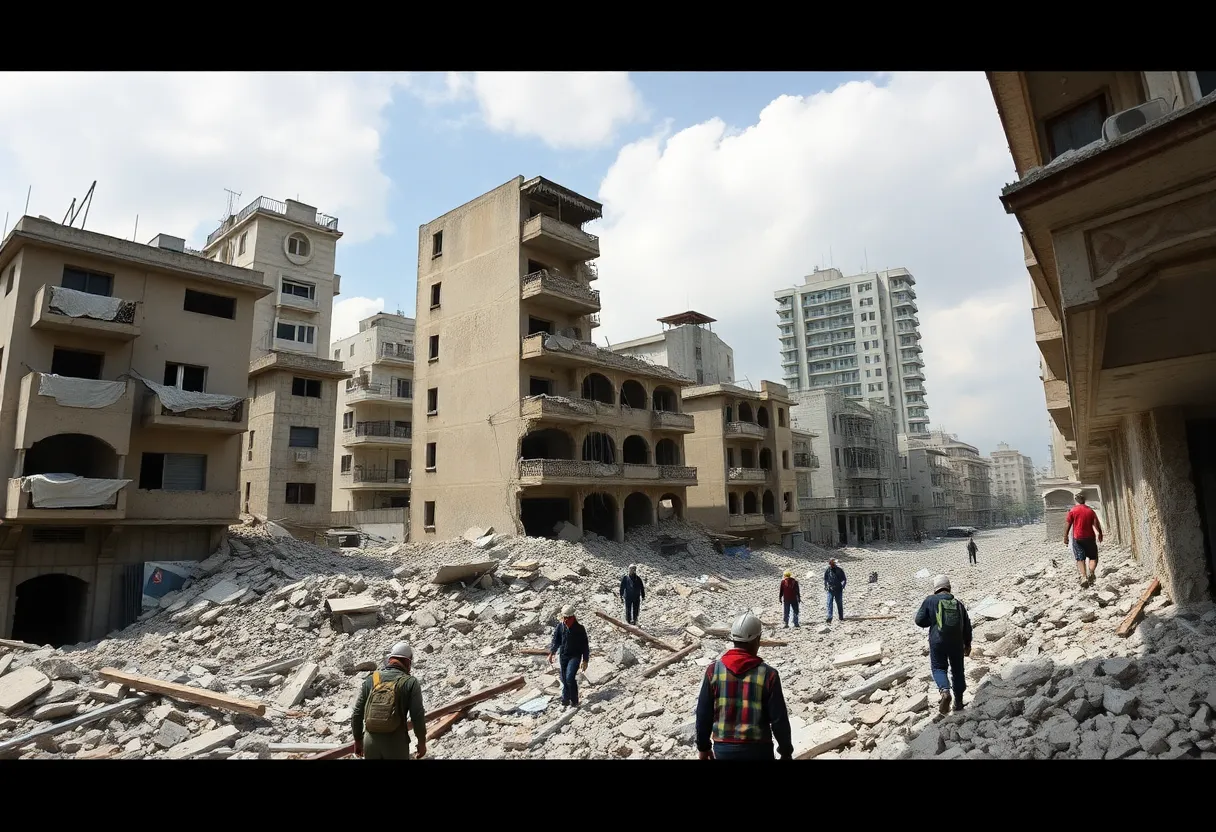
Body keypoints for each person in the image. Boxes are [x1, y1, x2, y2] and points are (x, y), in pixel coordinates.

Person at [694, 611, 794, 760]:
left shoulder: (713, 671)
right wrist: (786, 752)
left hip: (723, 750)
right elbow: (779, 719)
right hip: (759, 749)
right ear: (757, 639)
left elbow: (703, 714)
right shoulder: (769, 674)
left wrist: (703, 747)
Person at [350, 641, 426, 760]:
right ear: (407, 662)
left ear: (390, 659)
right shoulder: (410, 682)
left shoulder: (372, 679)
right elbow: (417, 716)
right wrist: (422, 742)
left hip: (370, 742)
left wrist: (358, 740)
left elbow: (357, 713)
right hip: (396, 743)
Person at [914, 575, 973, 715]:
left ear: (935, 588)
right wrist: (968, 644)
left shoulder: (930, 600)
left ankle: (945, 691)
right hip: (957, 642)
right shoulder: (958, 603)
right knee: (958, 671)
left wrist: (933, 621)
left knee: (939, 668)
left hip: (937, 641)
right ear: (949, 587)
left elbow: (919, 620)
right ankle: (958, 702)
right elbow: (967, 626)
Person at [548, 604, 590, 709]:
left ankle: (574, 701)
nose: (565, 620)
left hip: (575, 656)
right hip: (563, 656)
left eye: (567, 618)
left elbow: (585, 645)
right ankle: (565, 700)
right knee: (564, 678)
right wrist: (552, 652)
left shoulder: (580, 629)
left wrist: (585, 660)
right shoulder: (560, 626)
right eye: (564, 617)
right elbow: (556, 640)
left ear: (572, 617)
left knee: (569, 677)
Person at [1065, 491, 1103, 587]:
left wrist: (1065, 536)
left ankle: (1084, 577)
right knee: (1093, 557)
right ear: (1084, 500)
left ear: (1076, 500)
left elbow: (1068, 524)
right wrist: (1100, 533)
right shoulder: (1090, 511)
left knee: (1080, 558)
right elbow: (1096, 524)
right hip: (1090, 537)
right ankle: (1091, 572)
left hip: (1077, 538)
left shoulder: (1072, 511)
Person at [824, 558, 847, 623]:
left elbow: (844, 579)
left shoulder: (840, 570)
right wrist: (825, 586)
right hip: (830, 589)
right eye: (832, 563)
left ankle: (841, 617)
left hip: (838, 589)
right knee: (829, 603)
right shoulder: (828, 570)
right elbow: (825, 579)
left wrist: (843, 586)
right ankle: (829, 617)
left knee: (839, 603)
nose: (833, 564)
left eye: (834, 563)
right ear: (830, 563)